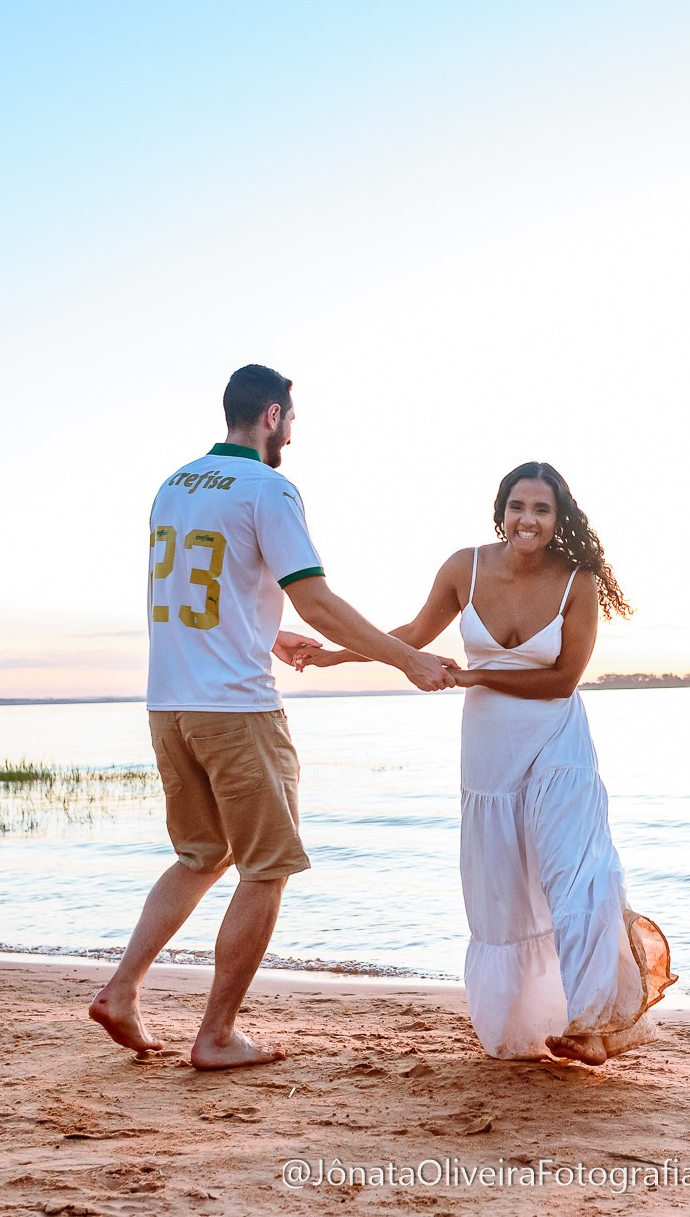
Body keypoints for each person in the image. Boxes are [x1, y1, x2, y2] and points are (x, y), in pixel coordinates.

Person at [89, 363, 456, 1071]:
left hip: (169, 702)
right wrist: (403, 658)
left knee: (201, 854)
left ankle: (122, 988)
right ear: (272, 418)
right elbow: (315, 600)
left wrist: (264, 630)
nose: (291, 430)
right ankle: (217, 1033)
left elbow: (211, 587)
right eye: (291, 418)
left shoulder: (174, 484)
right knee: (266, 865)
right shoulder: (270, 486)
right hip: (236, 708)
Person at [304, 461, 674, 1063]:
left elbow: (562, 680)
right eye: (518, 507)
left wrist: (473, 674)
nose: (528, 519)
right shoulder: (464, 567)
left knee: (574, 872)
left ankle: (590, 1024)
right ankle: (523, 1024)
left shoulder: (577, 582)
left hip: (558, 744)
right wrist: (333, 659)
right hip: (488, 752)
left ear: (559, 519)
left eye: (542, 509)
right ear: (501, 512)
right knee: (499, 887)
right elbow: (414, 634)